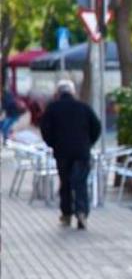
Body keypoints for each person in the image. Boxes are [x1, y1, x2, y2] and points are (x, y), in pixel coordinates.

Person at [39, 80, 100, 229]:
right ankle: (81, 212)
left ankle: (66, 214)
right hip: (81, 151)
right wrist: (88, 143)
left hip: (62, 152)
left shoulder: (52, 108)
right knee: (80, 183)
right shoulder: (83, 107)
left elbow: (44, 128)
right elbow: (96, 126)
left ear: (58, 93)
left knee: (65, 182)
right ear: (73, 92)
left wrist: (52, 143)